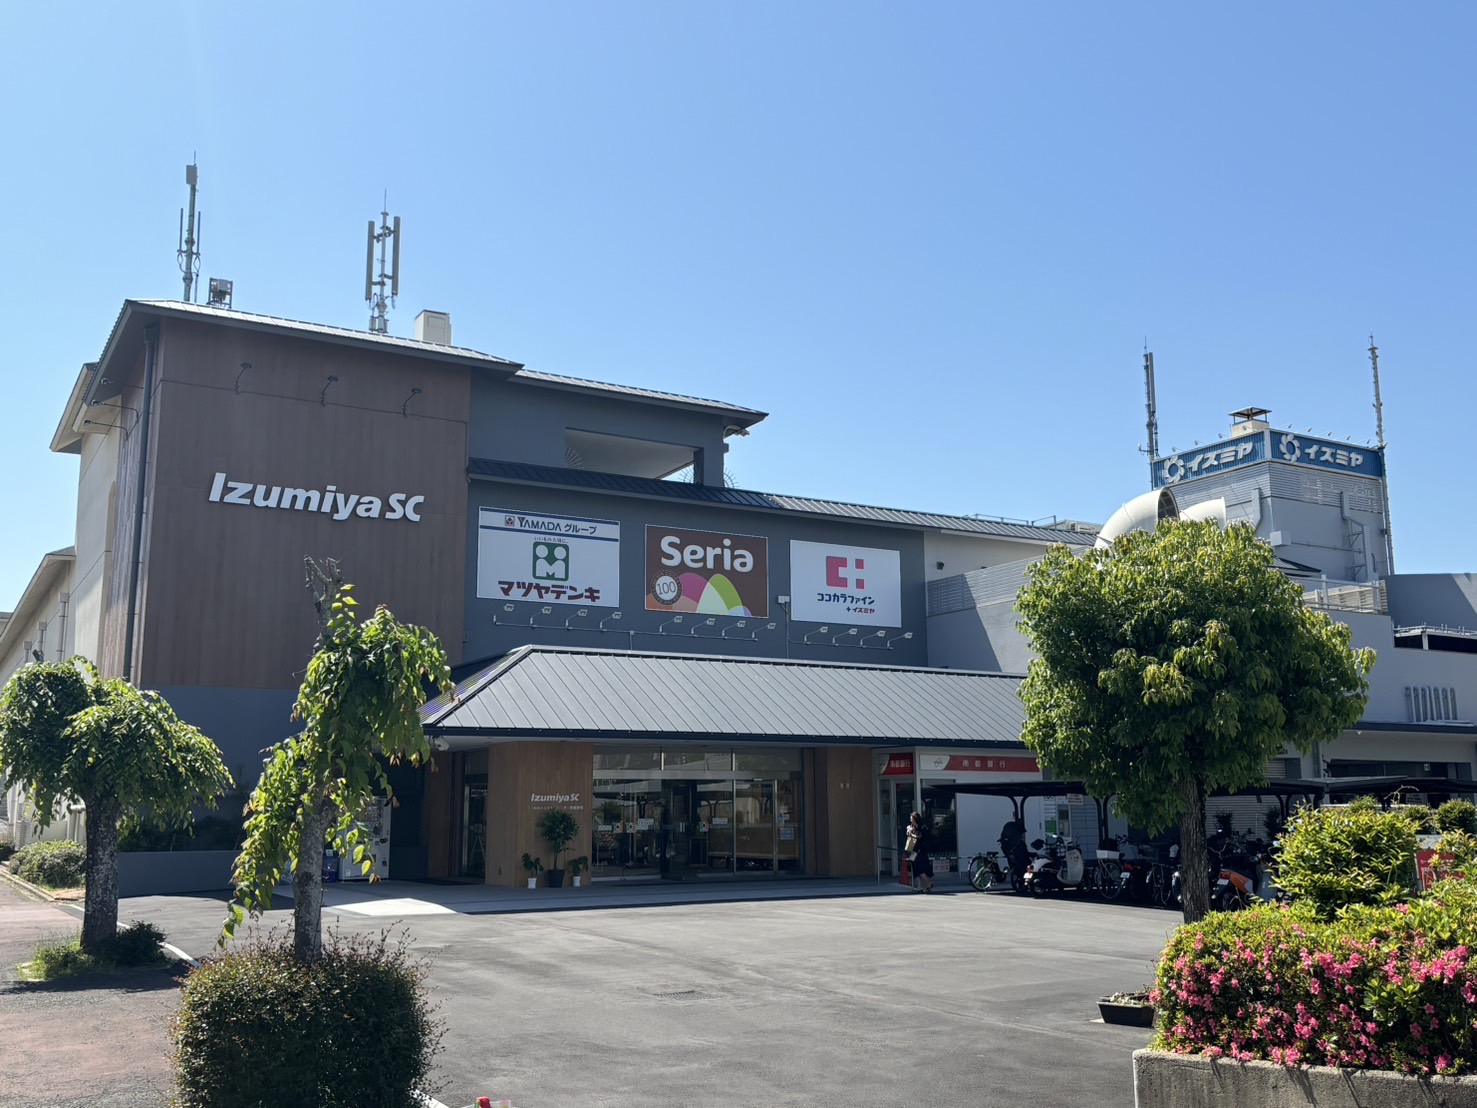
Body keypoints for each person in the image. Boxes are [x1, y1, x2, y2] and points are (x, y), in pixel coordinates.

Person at [906, 811, 934, 893]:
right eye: (910, 819)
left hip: (920, 851)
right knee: (914, 869)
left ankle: (929, 882)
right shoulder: (912, 827)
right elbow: (909, 835)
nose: (911, 821)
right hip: (913, 850)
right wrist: (908, 832)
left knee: (920, 869)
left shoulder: (922, 827)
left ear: (916, 819)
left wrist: (911, 834)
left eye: (912, 819)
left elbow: (920, 838)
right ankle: (919, 886)